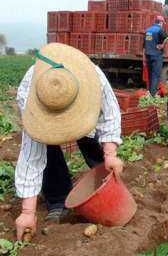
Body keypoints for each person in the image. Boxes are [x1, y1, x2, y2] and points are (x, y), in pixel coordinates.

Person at [14, 43, 123, 241]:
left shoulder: (93, 76)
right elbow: (31, 158)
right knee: (47, 147)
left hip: (85, 111)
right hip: (42, 116)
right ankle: (57, 199)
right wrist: (27, 212)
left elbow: (111, 114)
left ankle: (107, 183)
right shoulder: (29, 95)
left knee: (91, 141)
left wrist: (110, 154)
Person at [144, 15, 168, 96]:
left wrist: (143, 57)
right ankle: (153, 94)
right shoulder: (160, 30)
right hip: (157, 55)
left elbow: (144, 44)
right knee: (156, 75)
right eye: (163, 23)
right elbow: (167, 38)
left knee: (151, 74)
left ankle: (150, 91)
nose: (163, 24)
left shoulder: (148, 30)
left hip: (148, 55)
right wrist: (162, 45)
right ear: (161, 22)